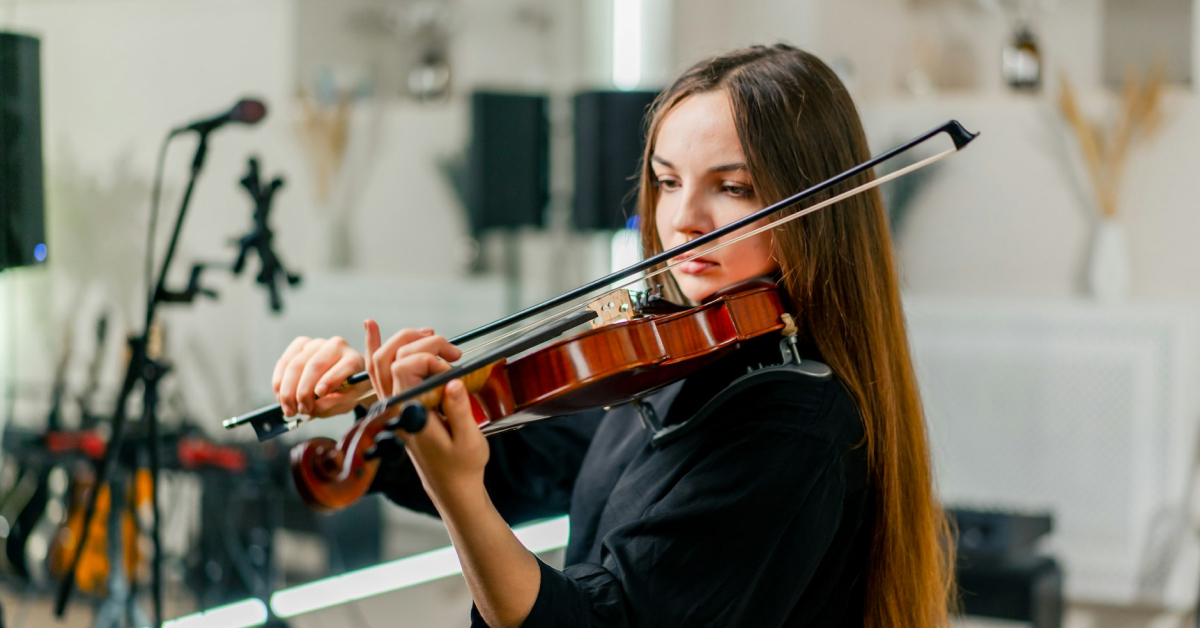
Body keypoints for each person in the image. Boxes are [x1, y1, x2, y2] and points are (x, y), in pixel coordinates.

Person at [271, 44, 955, 627]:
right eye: (667, 181)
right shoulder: (676, 356)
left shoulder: (794, 424)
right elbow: (528, 464)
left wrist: (459, 494)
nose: (683, 219)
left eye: (734, 188)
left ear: (811, 208)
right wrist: (381, 404)